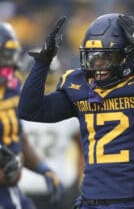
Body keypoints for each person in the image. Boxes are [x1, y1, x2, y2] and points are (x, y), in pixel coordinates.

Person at [17, 14, 134, 209]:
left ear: (128, 55)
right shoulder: (81, 87)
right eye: (93, 57)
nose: (98, 66)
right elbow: (30, 110)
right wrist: (43, 62)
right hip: (92, 201)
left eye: (106, 57)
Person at [0, 22, 63, 208]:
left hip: (11, 191)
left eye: (11, 56)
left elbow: (18, 137)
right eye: (4, 56)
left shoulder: (13, 89)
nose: (9, 63)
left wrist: (43, 169)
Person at [18, 53, 83, 209]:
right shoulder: (65, 109)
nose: (45, 86)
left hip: (34, 185)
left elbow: (84, 147)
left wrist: (77, 178)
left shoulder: (13, 108)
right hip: (48, 185)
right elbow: (85, 148)